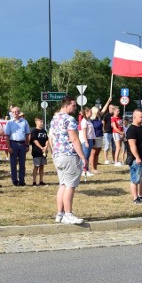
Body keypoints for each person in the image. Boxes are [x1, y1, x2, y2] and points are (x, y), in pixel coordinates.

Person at [50, 96, 85, 224]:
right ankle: (68, 214)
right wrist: (83, 157)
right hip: (69, 154)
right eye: (73, 105)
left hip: (57, 154)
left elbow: (52, 137)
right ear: (66, 105)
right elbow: (74, 139)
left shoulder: (54, 119)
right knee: (70, 185)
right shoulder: (70, 120)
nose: (75, 108)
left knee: (63, 185)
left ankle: (60, 213)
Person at [5, 106, 31, 186]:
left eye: (16, 112)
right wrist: (9, 147)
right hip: (13, 143)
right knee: (13, 163)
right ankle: (14, 180)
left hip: (22, 143)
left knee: (22, 163)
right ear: (11, 113)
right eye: (13, 112)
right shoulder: (9, 123)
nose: (15, 113)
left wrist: (27, 145)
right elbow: (7, 136)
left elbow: (27, 134)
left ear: (19, 112)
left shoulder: (24, 122)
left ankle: (22, 180)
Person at [30, 117, 49, 186]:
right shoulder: (34, 131)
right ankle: (34, 182)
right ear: (36, 122)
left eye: (42, 122)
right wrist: (41, 147)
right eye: (40, 122)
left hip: (43, 152)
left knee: (42, 166)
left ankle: (41, 181)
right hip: (36, 151)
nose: (42, 123)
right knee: (36, 166)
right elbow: (35, 140)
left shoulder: (44, 131)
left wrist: (46, 147)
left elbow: (47, 139)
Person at [78, 107, 95, 176]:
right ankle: (84, 170)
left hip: (90, 139)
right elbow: (84, 132)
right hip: (86, 140)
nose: (91, 113)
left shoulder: (89, 120)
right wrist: (86, 142)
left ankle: (86, 170)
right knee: (85, 156)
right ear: (86, 113)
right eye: (90, 112)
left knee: (87, 156)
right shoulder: (84, 121)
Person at [100, 99, 115, 164]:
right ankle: (106, 159)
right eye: (112, 108)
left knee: (114, 146)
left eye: (114, 108)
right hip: (107, 132)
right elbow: (103, 122)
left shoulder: (114, 115)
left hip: (114, 132)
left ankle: (114, 159)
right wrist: (103, 129)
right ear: (109, 108)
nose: (113, 109)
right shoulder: (106, 115)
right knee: (107, 145)